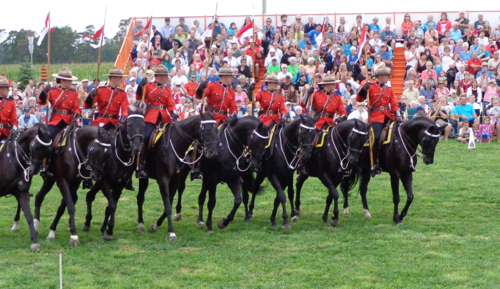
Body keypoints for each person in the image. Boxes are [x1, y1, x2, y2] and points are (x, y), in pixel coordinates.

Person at [135, 65, 178, 179]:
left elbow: (170, 104)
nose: (166, 78)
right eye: (164, 76)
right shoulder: (148, 86)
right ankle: (141, 164)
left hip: (164, 117)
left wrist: (173, 111)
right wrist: (141, 85)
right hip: (151, 116)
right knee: (147, 136)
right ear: (158, 76)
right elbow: (139, 96)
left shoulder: (167, 90)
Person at [357, 67, 400, 175]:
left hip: (388, 116)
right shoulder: (370, 87)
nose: (388, 77)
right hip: (376, 117)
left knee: (399, 134)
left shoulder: (389, 89)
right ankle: (375, 162)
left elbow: (394, 104)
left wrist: (397, 114)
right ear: (380, 77)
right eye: (386, 76)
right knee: (376, 138)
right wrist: (363, 89)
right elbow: (359, 99)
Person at [0, 76, 18, 141]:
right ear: (0, 89)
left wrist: (14, 128)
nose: (8, 90)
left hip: (6, 134)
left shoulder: (11, 103)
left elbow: (14, 120)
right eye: (6, 88)